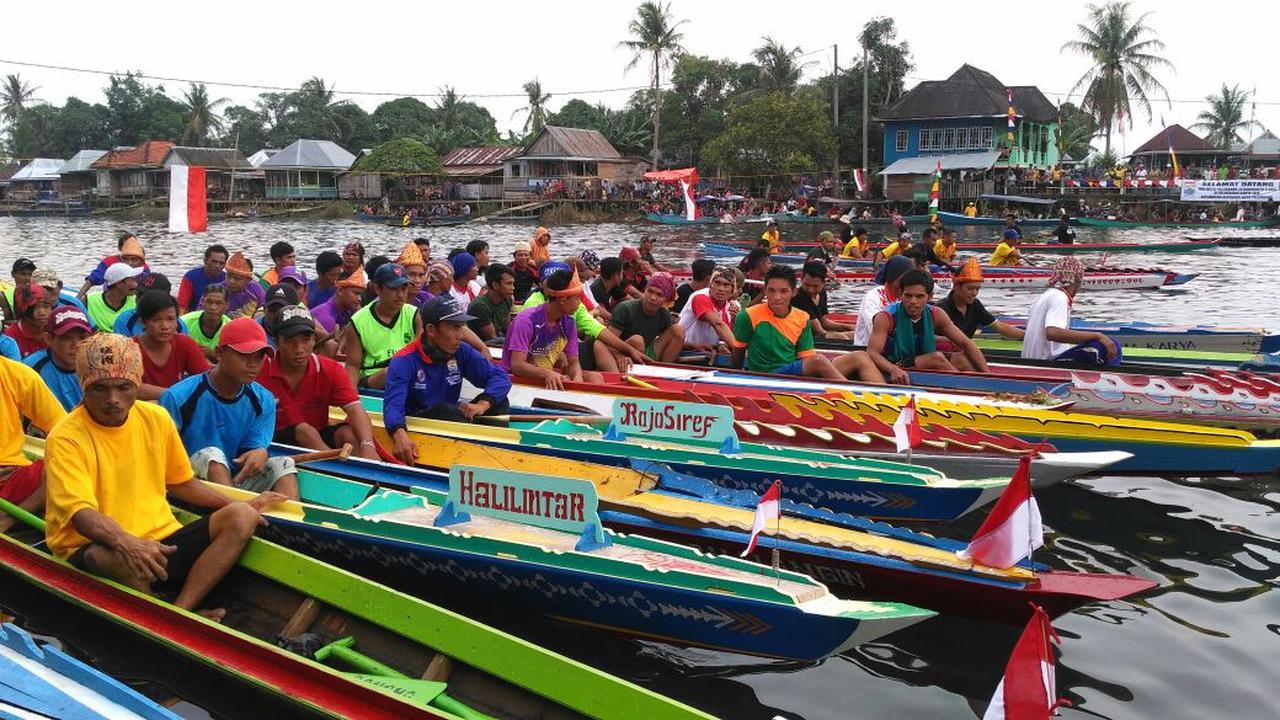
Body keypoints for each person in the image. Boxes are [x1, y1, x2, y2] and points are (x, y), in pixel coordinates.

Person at [44, 333, 283, 618]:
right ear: (83, 388)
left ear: (136, 384)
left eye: (123, 387)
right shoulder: (66, 437)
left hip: (160, 540)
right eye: (99, 389)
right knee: (102, 556)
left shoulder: (155, 419)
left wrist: (233, 504)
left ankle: (180, 612)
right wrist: (126, 542)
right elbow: (80, 514)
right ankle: (161, 615)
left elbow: (182, 483)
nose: (113, 399)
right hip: (98, 546)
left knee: (241, 516)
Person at [159, 318, 300, 499]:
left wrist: (260, 452)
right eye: (244, 355)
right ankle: (236, 513)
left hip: (235, 478)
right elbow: (161, 457)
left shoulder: (264, 400)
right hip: (187, 480)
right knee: (212, 455)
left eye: (259, 357)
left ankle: (289, 525)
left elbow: (251, 450)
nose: (253, 364)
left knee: (284, 463)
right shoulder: (177, 397)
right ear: (220, 353)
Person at [384, 297, 514, 462]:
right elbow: (393, 406)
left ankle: (499, 451)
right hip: (420, 422)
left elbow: (499, 377)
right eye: (454, 328)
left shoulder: (461, 351)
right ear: (431, 329)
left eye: (461, 327)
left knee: (500, 401)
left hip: (452, 420)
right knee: (446, 410)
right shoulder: (403, 361)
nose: (460, 335)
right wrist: (399, 434)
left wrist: (483, 404)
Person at [255, 305, 380, 461]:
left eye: (306, 339)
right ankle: (336, 473)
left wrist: (367, 445)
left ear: (314, 339)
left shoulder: (331, 369)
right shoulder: (259, 371)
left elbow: (355, 409)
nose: (299, 349)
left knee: (348, 434)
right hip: (273, 441)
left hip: (317, 435)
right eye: (290, 341)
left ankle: (367, 473)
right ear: (277, 341)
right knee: (304, 431)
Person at [731, 266, 878, 381]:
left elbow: (806, 356)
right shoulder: (747, 316)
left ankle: (890, 398)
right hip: (768, 375)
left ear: (793, 292)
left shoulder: (802, 317)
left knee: (860, 356)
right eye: (771, 291)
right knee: (818, 361)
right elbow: (737, 356)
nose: (777, 297)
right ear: (765, 291)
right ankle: (854, 396)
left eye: (783, 291)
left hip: (793, 371)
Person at [866, 269, 989, 383]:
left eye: (920, 296)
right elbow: (872, 352)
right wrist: (892, 369)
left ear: (930, 296)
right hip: (894, 363)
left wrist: (988, 375)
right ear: (900, 294)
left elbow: (966, 344)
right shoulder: (885, 317)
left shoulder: (936, 314)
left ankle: (983, 385)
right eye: (908, 295)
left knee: (961, 358)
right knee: (936, 358)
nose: (913, 301)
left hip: (918, 359)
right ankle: (965, 388)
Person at [524, 262, 647, 373]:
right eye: (549, 282)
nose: (552, 286)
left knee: (627, 342)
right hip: (540, 357)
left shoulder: (572, 312)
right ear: (541, 283)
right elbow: (523, 358)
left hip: (566, 351)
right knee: (597, 347)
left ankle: (616, 380)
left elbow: (599, 330)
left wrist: (630, 350)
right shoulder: (532, 307)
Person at [0, 354, 67, 533]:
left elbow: (64, 431)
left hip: (13, 474)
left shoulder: (16, 374)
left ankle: (11, 518)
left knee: (65, 470)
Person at [502, 268, 602, 389]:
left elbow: (574, 363)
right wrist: (547, 373)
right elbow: (517, 365)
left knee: (595, 378)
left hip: (547, 376)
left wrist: (577, 379)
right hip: (518, 380)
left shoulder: (569, 323)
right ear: (563, 300)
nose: (580, 304)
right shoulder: (526, 321)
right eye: (577, 298)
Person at [1022, 257, 1121, 366]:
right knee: (1107, 345)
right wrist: (1098, 336)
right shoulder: (1059, 297)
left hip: (1032, 359)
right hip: (1046, 362)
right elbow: (1052, 333)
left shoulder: (1044, 296)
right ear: (1078, 279)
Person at [342, 263, 422, 390]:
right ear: (378, 289)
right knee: (390, 372)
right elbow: (352, 366)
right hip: (374, 377)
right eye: (394, 289)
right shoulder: (358, 321)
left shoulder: (414, 315)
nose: (400, 295)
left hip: (407, 373)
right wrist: (350, 397)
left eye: (403, 288)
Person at [132, 291, 211, 400]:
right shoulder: (129, 348)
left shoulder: (185, 343)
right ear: (143, 322)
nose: (165, 326)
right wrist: (175, 394)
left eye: (170, 319)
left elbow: (206, 380)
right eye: (157, 320)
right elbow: (130, 387)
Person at [938, 259, 1026, 344]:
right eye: (970, 288)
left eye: (977, 289)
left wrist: (1027, 336)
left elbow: (1000, 327)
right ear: (956, 286)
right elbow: (927, 337)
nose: (974, 293)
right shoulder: (940, 308)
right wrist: (952, 341)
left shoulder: (975, 305)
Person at [24, 306, 92, 411]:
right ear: (49, 339)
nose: (76, 345)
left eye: (82, 338)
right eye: (67, 338)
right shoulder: (31, 369)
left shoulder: (98, 367)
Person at [608, 272, 685, 362]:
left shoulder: (664, 314)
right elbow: (608, 342)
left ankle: (664, 369)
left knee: (678, 330)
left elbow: (669, 339)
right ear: (644, 291)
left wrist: (694, 346)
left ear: (666, 300)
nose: (652, 298)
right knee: (637, 340)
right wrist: (619, 356)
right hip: (623, 353)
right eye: (650, 291)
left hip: (646, 351)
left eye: (659, 295)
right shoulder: (625, 309)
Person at [853, 255, 914, 347]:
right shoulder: (873, 296)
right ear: (894, 274)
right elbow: (874, 328)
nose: (910, 279)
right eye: (906, 275)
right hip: (866, 348)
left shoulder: (908, 297)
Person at [677, 266, 737, 355]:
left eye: (726, 285)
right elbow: (718, 324)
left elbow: (727, 333)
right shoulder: (699, 297)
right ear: (710, 285)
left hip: (708, 350)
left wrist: (723, 345)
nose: (721, 289)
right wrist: (740, 353)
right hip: (685, 349)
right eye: (717, 283)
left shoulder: (734, 306)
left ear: (732, 289)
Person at [77, 234, 149, 300]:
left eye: (134, 259)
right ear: (120, 248)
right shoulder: (109, 262)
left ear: (141, 261)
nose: (130, 263)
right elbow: (92, 279)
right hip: (111, 299)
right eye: (126, 258)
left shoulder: (144, 269)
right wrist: (77, 299)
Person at [793, 261, 853, 341]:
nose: (810, 290)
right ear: (801, 279)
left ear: (824, 283)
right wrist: (848, 334)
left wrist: (848, 327)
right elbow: (820, 332)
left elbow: (823, 321)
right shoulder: (797, 298)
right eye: (807, 285)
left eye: (816, 286)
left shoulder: (822, 293)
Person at [85, 263, 144, 333]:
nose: (136, 285)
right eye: (132, 280)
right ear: (119, 284)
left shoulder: (137, 301)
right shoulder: (88, 300)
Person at [181, 284, 231, 361]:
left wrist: (213, 355)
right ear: (202, 302)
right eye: (208, 302)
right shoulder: (184, 322)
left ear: (227, 305)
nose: (212, 307)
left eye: (218, 303)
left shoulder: (230, 328)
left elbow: (233, 362)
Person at [467, 264, 515, 341]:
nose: (513, 288)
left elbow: (508, 330)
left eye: (513, 284)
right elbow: (492, 338)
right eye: (509, 284)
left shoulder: (507, 299)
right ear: (495, 285)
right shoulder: (480, 306)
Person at [3, 283, 52, 357]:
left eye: (46, 306)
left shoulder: (57, 330)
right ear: (23, 310)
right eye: (35, 308)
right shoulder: (10, 338)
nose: (42, 313)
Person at [312, 267, 364, 335]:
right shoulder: (326, 318)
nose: (360, 298)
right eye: (356, 293)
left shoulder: (346, 312)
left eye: (360, 294)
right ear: (339, 291)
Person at [177, 244, 229, 312]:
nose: (217, 266)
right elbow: (182, 306)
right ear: (205, 260)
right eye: (214, 262)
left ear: (225, 264)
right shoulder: (190, 277)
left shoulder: (227, 279)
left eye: (221, 263)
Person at [223, 252, 266, 318]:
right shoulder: (218, 290)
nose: (231, 281)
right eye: (229, 276)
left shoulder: (256, 289)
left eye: (237, 279)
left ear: (249, 280)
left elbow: (265, 308)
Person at [396, 240, 431, 308]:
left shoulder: (428, 299)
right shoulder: (387, 300)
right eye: (411, 275)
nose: (417, 280)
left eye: (421, 275)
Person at [1, 257, 36, 322]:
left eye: (30, 274)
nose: (28, 278)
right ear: (13, 274)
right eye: (23, 274)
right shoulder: (3, 297)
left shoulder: (40, 293)